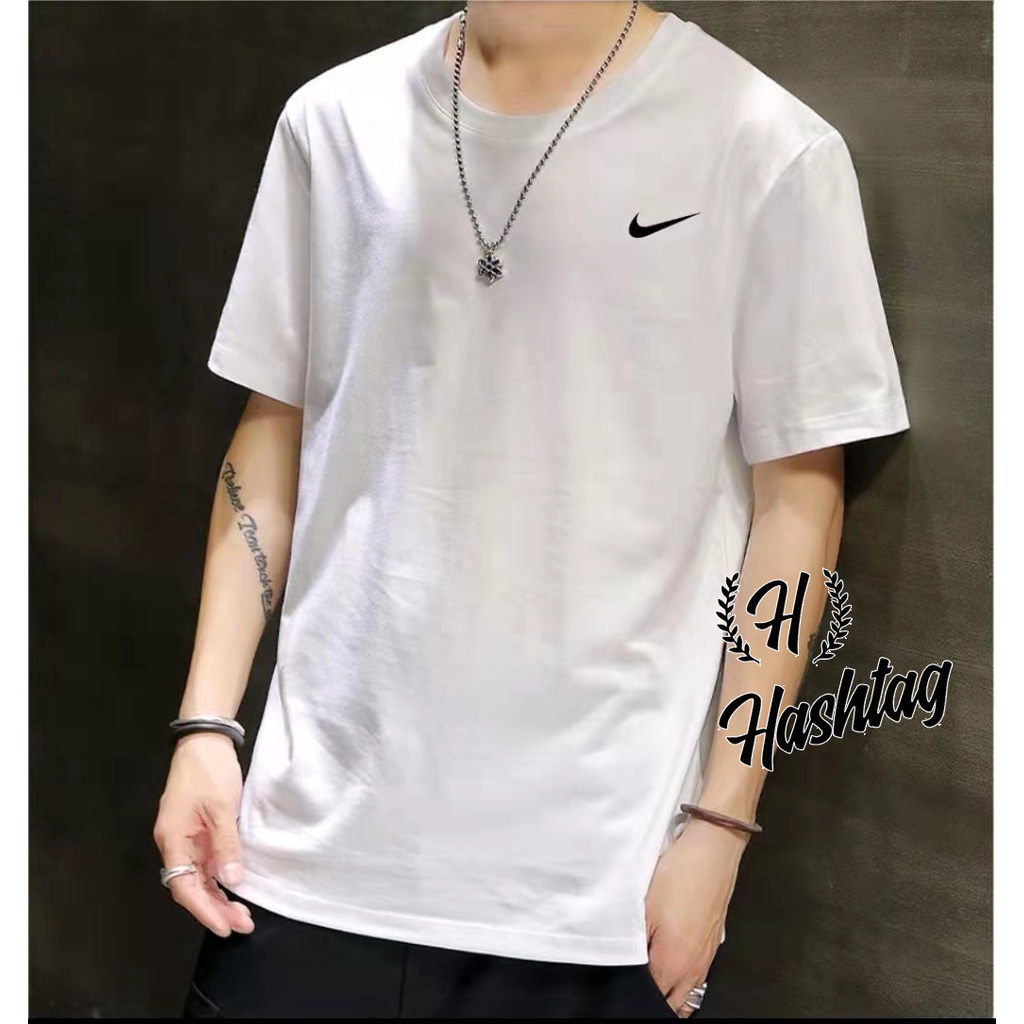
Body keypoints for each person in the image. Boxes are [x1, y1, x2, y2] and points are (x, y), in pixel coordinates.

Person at [153, 1, 911, 1018]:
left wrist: (722, 824)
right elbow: (274, 426)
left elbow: (798, 508)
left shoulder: (767, 148)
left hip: (592, 889)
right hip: (300, 856)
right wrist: (206, 724)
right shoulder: (333, 120)